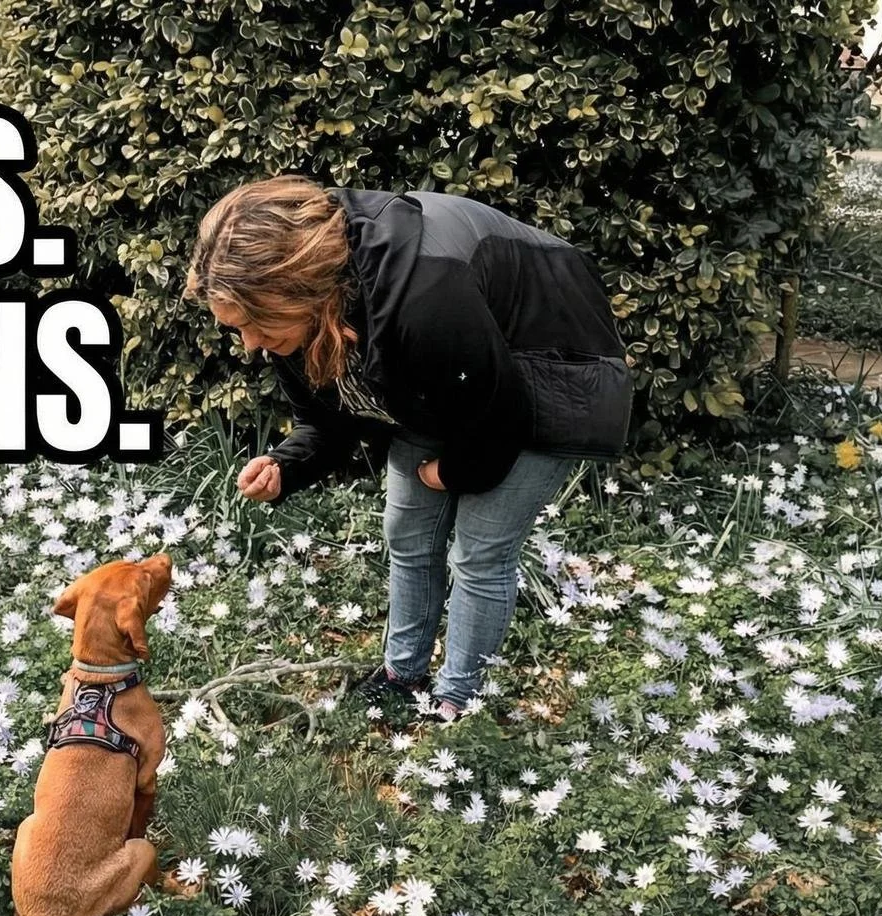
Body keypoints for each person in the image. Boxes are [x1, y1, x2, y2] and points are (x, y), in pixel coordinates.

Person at [182, 175, 633, 720]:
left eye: (254, 324)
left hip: (548, 372)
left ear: (301, 285)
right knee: (408, 530)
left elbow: (501, 416)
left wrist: (453, 471)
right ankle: (402, 674)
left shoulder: (424, 293)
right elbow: (326, 423)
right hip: (450, 379)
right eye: (238, 329)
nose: (250, 345)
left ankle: (457, 700)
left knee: (480, 552)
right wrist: (286, 464)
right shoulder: (295, 314)